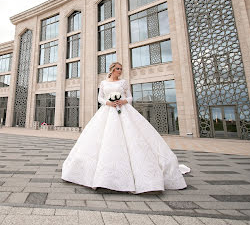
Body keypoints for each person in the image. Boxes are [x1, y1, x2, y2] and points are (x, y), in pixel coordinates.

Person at [62, 62, 190, 194]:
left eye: (121, 69)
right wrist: (108, 103)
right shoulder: (104, 83)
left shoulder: (123, 82)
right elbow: (100, 98)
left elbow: (130, 97)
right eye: (118, 69)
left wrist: (124, 101)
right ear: (112, 70)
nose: (120, 71)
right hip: (108, 110)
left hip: (124, 110)